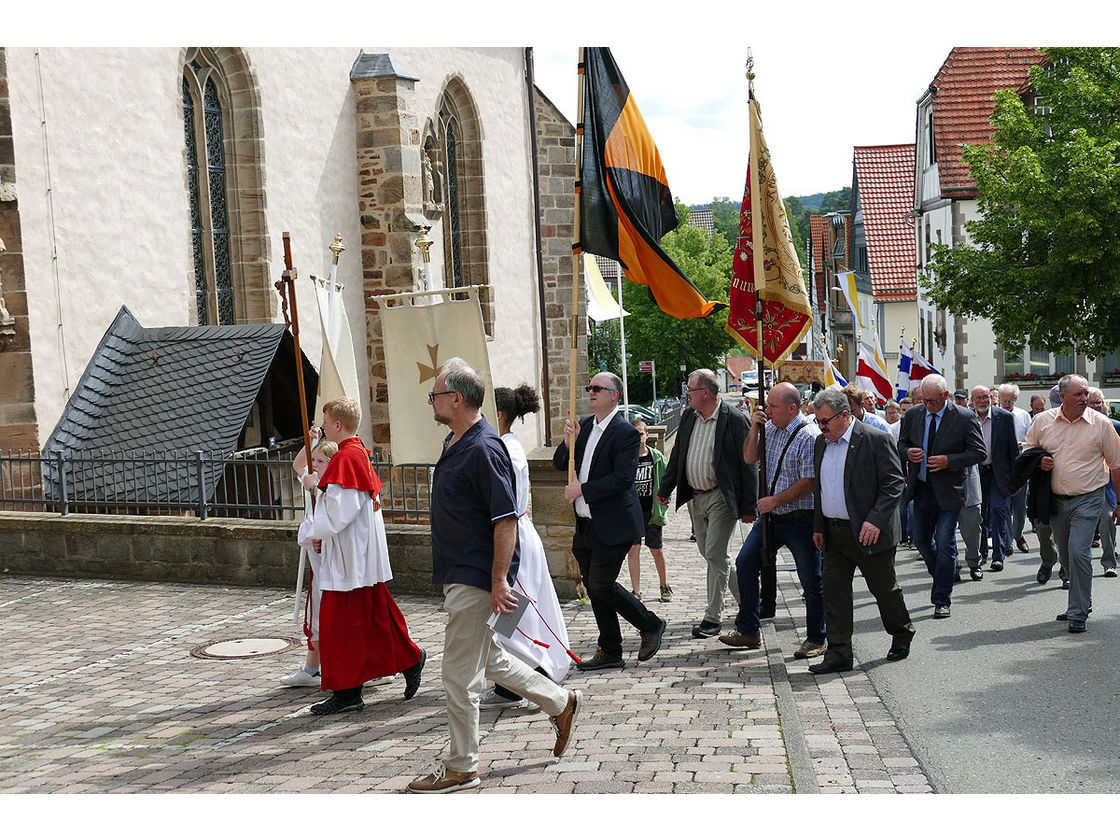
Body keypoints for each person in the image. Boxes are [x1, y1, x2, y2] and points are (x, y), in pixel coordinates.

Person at [408, 359, 580, 794]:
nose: (432, 401)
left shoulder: (484, 448)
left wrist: (499, 580)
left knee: (458, 676)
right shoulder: (456, 439)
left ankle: (462, 765)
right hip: (465, 573)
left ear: (457, 399)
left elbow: (505, 520)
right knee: (490, 661)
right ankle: (560, 702)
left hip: (479, 579)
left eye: (436, 395)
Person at [304, 397, 426, 714]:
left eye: (327, 421)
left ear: (339, 425)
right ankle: (408, 660)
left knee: (338, 625)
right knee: (374, 618)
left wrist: (314, 488)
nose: (324, 425)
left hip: (350, 558)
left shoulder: (347, 459)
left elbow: (338, 514)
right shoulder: (355, 455)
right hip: (355, 555)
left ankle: (347, 691)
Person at [553, 370, 666, 670]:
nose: (591, 392)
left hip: (614, 524)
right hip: (585, 523)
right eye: (590, 387)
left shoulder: (625, 432)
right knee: (594, 587)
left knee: (601, 584)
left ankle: (650, 624)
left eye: (597, 388)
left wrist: (582, 489)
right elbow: (558, 464)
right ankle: (610, 650)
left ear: (614, 395)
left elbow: (622, 479)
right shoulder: (586, 426)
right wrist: (567, 442)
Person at [479, 384, 574, 711]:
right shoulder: (508, 445)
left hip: (513, 536)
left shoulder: (504, 449)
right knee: (515, 611)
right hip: (518, 532)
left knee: (515, 611)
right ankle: (510, 683)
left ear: (499, 414)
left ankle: (532, 674)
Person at [808, 389, 914, 674]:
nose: (821, 427)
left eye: (825, 421)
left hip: (870, 532)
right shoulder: (821, 443)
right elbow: (822, 488)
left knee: (884, 590)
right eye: (818, 421)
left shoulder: (875, 439)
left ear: (845, 415)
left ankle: (901, 632)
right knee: (834, 593)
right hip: (834, 532)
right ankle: (839, 653)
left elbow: (893, 484)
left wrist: (875, 520)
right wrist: (819, 525)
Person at [724, 382, 826, 660]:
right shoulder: (770, 429)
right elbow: (748, 456)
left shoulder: (810, 436)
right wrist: (755, 427)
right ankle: (749, 628)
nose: (766, 410)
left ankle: (817, 637)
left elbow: (809, 482)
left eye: (772, 406)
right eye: (766, 406)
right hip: (772, 518)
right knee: (745, 564)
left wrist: (775, 500)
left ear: (792, 408)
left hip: (800, 519)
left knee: (811, 580)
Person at [657, 368, 756, 639]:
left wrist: (749, 507)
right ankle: (750, 603)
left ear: (705, 393)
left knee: (714, 553)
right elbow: (678, 454)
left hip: (722, 496)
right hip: (695, 497)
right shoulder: (689, 416)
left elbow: (749, 465)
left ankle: (713, 617)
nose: (686, 394)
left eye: (690, 389)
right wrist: (665, 489)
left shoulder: (735, 419)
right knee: (715, 555)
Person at [1024, 374, 1120, 633]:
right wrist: (1039, 461)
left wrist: (1119, 502)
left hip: (1089, 499)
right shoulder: (1042, 421)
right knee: (1066, 556)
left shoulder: (1101, 424)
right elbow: (1028, 449)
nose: (1083, 399)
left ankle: (1078, 613)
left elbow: (1116, 464)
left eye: (1085, 394)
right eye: (1078, 394)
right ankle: (1080, 601)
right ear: (1062, 396)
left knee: (1079, 551)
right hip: (1055, 501)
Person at [897, 374, 985, 619]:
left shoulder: (964, 417)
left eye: (933, 401)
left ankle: (942, 597)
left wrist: (950, 461)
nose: (928, 405)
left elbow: (979, 452)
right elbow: (900, 445)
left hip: (949, 492)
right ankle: (943, 574)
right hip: (922, 488)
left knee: (945, 542)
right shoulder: (914, 415)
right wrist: (908, 453)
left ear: (946, 396)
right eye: (924, 400)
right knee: (922, 540)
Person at [280, 434, 338, 688]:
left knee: (333, 615)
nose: (314, 465)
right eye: (313, 460)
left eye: (321, 461)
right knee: (316, 615)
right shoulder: (313, 482)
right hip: (319, 566)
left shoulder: (336, 488)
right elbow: (298, 466)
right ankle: (312, 668)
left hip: (335, 565)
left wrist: (319, 535)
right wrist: (309, 441)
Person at [971, 385, 1019, 571]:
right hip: (976, 474)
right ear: (972, 400)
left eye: (986, 397)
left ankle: (998, 555)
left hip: (999, 474)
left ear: (991, 398)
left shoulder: (1004, 417)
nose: (983, 401)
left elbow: (1013, 450)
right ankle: (982, 553)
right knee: (979, 514)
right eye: (979, 398)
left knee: (998, 510)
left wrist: (1016, 479)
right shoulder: (966, 418)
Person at [627, 417, 672, 603]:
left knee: (656, 549)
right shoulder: (626, 458)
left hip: (652, 511)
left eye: (640, 434)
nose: (638, 438)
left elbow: (665, 479)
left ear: (646, 435)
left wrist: (666, 497)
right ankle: (636, 590)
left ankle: (664, 585)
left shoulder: (656, 457)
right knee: (633, 550)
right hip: (632, 512)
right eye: (634, 434)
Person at [1085, 387, 1120, 578]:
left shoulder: (1115, 425)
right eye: (1091, 402)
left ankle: (1109, 563)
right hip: (1083, 483)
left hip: (1107, 484)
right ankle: (1076, 565)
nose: (1095, 406)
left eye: (1098, 402)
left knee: (1107, 518)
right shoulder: (1078, 426)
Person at [998, 383, 1033, 552]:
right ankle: (1008, 542)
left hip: (1020, 464)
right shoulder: (995, 415)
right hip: (1001, 465)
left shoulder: (1024, 415)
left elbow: (1033, 440)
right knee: (1004, 505)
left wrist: (1024, 445)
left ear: (1016, 399)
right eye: (1003, 400)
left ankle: (1018, 535)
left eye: (1010, 401)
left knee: (1019, 506)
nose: (1006, 404)